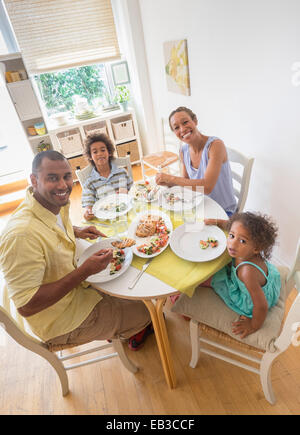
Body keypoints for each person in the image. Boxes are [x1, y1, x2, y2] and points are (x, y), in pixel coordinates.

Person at [0, 150, 152, 351]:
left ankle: (118, 324)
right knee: (148, 312)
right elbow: (27, 306)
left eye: (66, 176)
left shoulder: (51, 203)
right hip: (61, 320)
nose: (63, 185)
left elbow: (52, 227)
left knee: (138, 288)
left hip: (78, 289)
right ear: (34, 180)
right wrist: (84, 272)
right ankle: (131, 330)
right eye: (52, 178)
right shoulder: (21, 236)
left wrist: (76, 230)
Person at [202, 212, 281, 338]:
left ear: (256, 248)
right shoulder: (249, 251)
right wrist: (216, 222)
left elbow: (261, 305)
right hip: (264, 282)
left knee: (212, 277)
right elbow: (232, 226)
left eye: (242, 241)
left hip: (252, 301)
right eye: (232, 236)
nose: (233, 244)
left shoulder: (247, 272)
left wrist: (253, 325)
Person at [155, 107, 237, 216]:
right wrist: (168, 182)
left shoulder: (215, 146)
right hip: (199, 206)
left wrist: (171, 178)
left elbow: (207, 187)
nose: (182, 129)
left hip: (223, 212)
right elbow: (185, 182)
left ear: (195, 121)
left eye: (185, 122)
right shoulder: (184, 151)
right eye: (176, 127)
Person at [82, 133, 133, 221]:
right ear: (90, 156)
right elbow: (88, 202)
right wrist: (88, 212)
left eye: (103, 150)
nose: (99, 154)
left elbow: (133, 191)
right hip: (106, 219)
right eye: (95, 152)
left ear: (109, 152)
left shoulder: (121, 173)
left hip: (126, 214)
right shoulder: (90, 182)